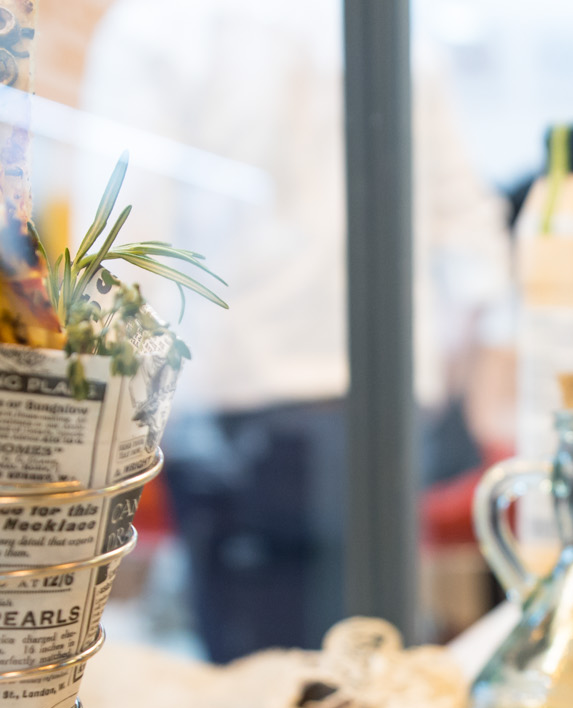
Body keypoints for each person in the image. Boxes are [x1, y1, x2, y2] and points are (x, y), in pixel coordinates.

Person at [78, 0, 513, 661]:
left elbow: (119, 259)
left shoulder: (159, 26)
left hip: (238, 413)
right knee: (374, 673)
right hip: (381, 412)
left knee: (267, 692)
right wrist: (446, 377)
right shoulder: (387, 27)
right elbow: (470, 237)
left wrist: (112, 445)